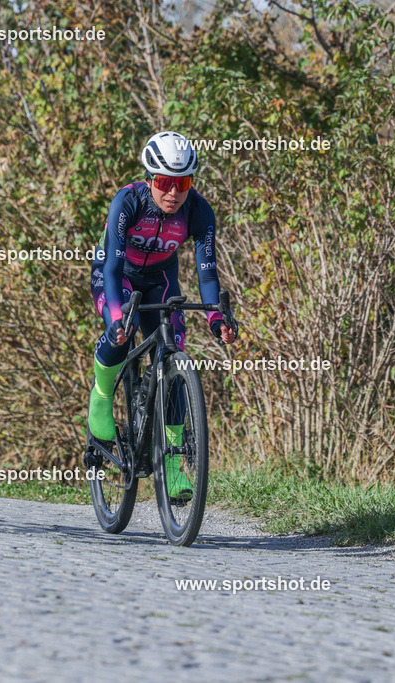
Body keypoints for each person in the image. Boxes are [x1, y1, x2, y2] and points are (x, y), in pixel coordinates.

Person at [88, 131, 237, 499]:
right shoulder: (128, 201)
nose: (173, 193)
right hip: (116, 274)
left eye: (183, 183)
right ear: (151, 178)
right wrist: (119, 316)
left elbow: (207, 273)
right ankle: (103, 396)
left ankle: (171, 467)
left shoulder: (199, 212)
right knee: (122, 332)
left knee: (175, 358)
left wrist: (217, 319)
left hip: (160, 279)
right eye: (165, 182)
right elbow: (111, 268)